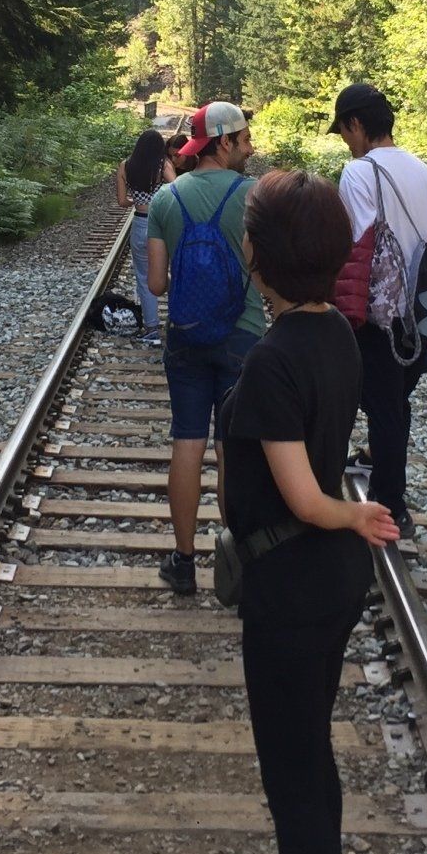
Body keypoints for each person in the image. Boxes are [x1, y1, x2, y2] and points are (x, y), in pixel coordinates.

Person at [221, 169, 399, 854]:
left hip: (289, 587)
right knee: (310, 752)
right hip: (329, 585)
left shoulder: (271, 362)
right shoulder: (334, 333)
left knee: (291, 771)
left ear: (257, 253)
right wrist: (348, 519)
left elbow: (300, 495)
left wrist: (347, 515)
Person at [145, 101, 263, 594]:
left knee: (187, 443)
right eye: (245, 137)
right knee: (232, 449)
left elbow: (155, 285)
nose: (251, 146)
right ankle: (238, 558)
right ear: (223, 142)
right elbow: (265, 272)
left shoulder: (166, 200)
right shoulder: (255, 197)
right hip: (244, 335)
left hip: (187, 335)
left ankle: (183, 561)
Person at [330, 83, 427, 540]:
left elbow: (356, 243)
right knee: (394, 402)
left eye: (344, 129)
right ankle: (388, 490)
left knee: (378, 405)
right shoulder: (425, 174)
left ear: (357, 124)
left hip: (377, 312)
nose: (345, 139)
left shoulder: (358, 174)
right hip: (422, 312)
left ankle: (390, 505)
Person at [115, 129, 175, 345]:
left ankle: (151, 329)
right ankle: (180, 318)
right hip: (163, 224)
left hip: (140, 223)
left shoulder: (125, 165)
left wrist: (138, 200)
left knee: (144, 276)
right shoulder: (163, 165)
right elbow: (177, 189)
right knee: (174, 269)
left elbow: (122, 201)